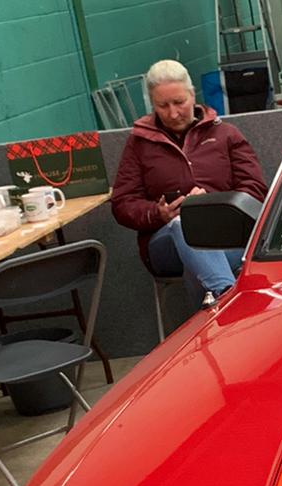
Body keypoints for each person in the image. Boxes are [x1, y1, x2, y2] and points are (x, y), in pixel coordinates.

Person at [111, 60, 267, 305]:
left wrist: (213, 205)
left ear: (193, 95)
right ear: (152, 104)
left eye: (179, 102)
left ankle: (216, 309)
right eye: (163, 106)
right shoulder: (139, 144)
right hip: (166, 240)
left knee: (198, 268)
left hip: (229, 235)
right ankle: (230, 301)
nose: (173, 113)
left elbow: (255, 190)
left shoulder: (225, 134)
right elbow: (122, 203)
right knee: (184, 225)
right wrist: (157, 213)